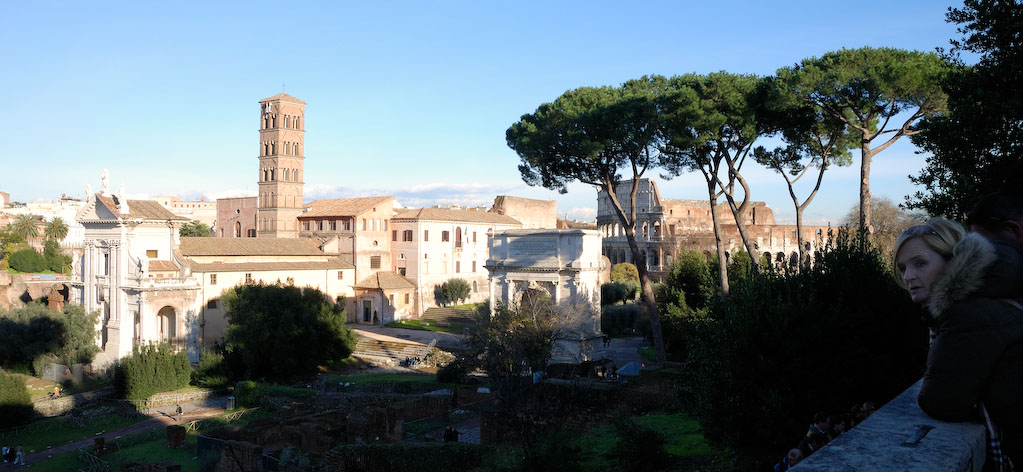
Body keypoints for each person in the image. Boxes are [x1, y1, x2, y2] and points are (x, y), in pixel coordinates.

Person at [894, 217, 1023, 467]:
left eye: (919, 263)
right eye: (903, 268)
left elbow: (941, 402)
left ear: (953, 261)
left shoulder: (968, 314)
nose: (909, 276)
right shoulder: (992, 298)